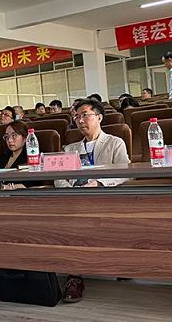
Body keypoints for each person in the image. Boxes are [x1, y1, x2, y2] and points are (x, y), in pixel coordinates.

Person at [55, 98, 131, 303]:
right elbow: (58, 177)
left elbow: (126, 173)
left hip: (105, 197)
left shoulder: (115, 142)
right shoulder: (70, 148)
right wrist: (69, 191)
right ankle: (74, 276)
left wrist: (99, 183)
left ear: (99, 117)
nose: (80, 120)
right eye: (77, 117)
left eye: (85, 115)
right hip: (74, 199)